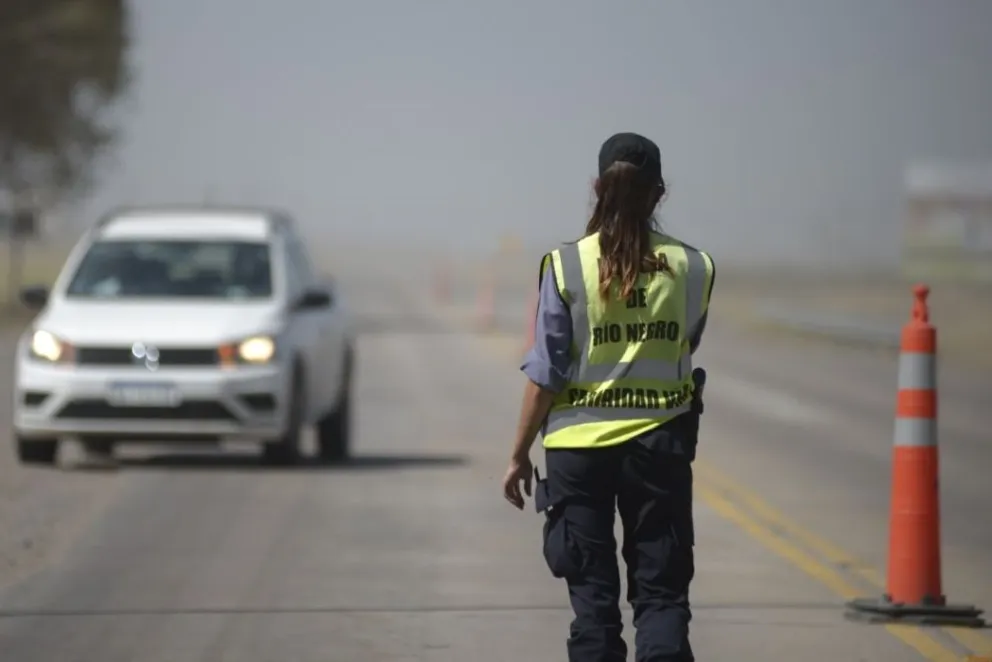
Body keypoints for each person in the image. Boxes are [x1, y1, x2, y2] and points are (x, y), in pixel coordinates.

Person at [502, 132, 715, 662]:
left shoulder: (568, 266)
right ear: (659, 193)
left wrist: (518, 454)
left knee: (594, 607)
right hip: (660, 449)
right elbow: (686, 341)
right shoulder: (693, 267)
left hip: (578, 454)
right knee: (661, 596)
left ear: (597, 188)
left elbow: (547, 374)